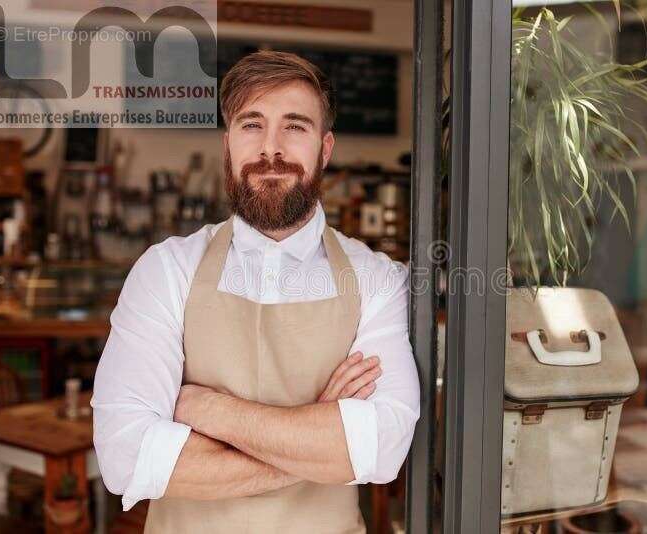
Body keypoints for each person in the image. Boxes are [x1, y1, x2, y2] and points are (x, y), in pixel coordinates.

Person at [92, 51, 420, 533]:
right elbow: (126, 456)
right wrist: (320, 438)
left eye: (295, 126)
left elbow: (385, 448)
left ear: (324, 149)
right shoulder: (166, 270)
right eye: (252, 125)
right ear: (228, 144)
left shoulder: (376, 279)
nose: (272, 149)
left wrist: (205, 408)